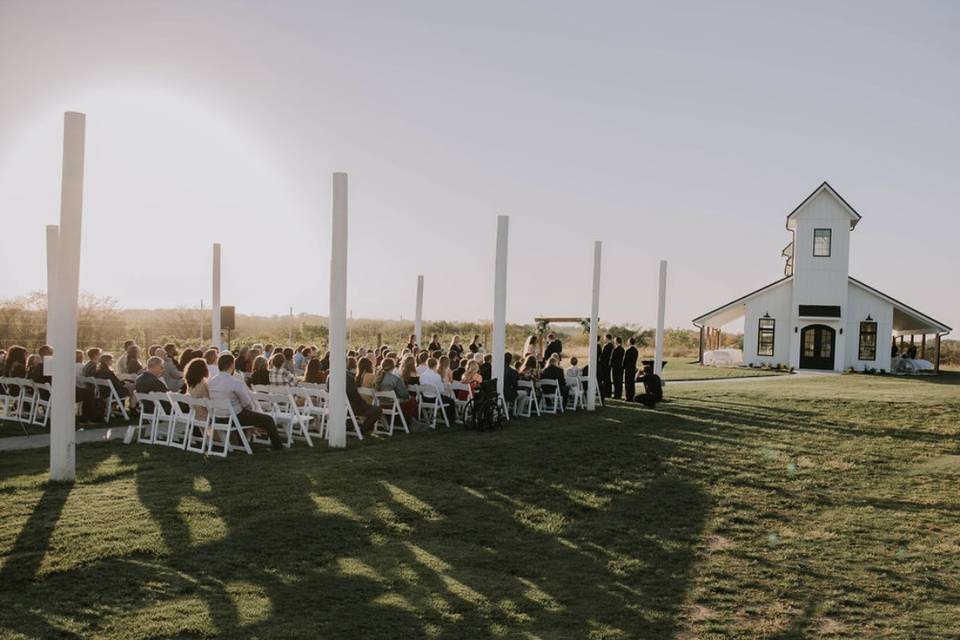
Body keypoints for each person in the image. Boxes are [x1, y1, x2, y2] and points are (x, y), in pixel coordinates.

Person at [208, 352, 282, 449]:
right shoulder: (234, 382)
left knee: (244, 414)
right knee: (268, 419)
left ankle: (242, 442)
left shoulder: (211, 382)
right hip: (234, 418)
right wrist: (252, 409)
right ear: (231, 365)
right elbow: (246, 402)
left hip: (217, 418)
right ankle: (278, 447)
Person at [345, 357, 383, 432]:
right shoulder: (349, 378)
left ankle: (355, 426)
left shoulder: (356, 377)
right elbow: (354, 396)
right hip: (353, 407)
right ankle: (362, 429)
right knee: (378, 410)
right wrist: (363, 403)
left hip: (344, 406)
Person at [623, 337, 639, 402]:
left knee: (627, 383)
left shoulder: (628, 350)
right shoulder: (636, 350)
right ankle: (632, 396)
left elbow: (625, 360)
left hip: (628, 369)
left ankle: (628, 397)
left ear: (629, 342)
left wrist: (623, 367)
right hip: (633, 368)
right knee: (632, 383)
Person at [599, 334, 614, 399]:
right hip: (607, 365)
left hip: (605, 365)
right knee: (607, 379)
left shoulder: (608, 346)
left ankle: (607, 393)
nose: (604, 339)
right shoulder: (611, 345)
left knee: (606, 379)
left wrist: (600, 358)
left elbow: (604, 356)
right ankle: (608, 392)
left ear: (607, 338)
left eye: (605, 338)